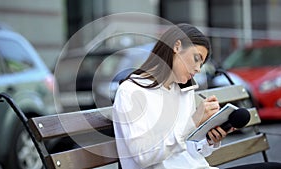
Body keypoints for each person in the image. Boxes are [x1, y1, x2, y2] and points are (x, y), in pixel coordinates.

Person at [112, 23, 281, 169]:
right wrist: (192, 121)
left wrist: (208, 140)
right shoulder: (131, 92)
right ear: (176, 47)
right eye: (196, 58)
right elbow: (143, 156)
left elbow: (187, 150)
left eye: (202, 63)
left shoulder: (183, 90)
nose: (199, 69)